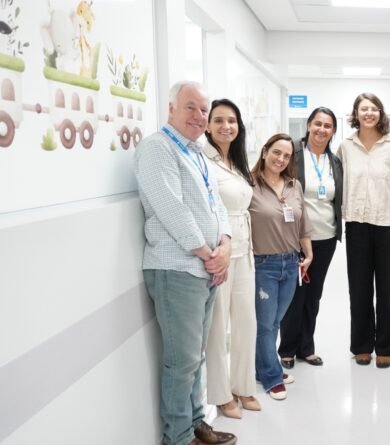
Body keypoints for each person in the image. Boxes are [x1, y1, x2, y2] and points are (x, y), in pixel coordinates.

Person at [134, 81, 237, 445]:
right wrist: (210, 255)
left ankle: (196, 424)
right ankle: (178, 438)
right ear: (171, 109)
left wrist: (225, 244)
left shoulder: (196, 153)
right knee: (182, 362)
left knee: (196, 357)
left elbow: (217, 205)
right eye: (190, 107)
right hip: (177, 268)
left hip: (203, 268)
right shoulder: (157, 148)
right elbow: (171, 209)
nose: (199, 116)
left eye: (203, 110)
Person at [338, 92, 390, 369]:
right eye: (363, 109)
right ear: (356, 114)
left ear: (380, 113)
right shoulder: (345, 147)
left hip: (389, 223)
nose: (368, 113)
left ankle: (385, 346)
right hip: (356, 224)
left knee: (389, 289)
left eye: (373, 109)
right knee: (358, 289)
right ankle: (361, 345)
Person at [203, 98, 261, 419]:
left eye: (232, 121)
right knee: (218, 327)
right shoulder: (203, 160)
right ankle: (221, 395)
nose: (226, 126)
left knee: (246, 323)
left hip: (244, 251)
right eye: (219, 120)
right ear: (208, 126)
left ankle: (243, 385)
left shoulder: (237, 162)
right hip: (220, 251)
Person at [249, 133, 314, 401]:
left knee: (275, 321)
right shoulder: (249, 184)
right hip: (263, 264)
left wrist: (308, 253)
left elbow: (302, 222)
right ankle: (272, 376)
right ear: (265, 152)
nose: (281, 159)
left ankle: (263, 367)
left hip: (290, 262)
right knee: (266, 325)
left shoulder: (293, 185)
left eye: (287, 155)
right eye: (277, 152)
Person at [279, 107, 343, 369]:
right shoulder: (293, 153)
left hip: (326, 236)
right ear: (308, 125)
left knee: (313, 295)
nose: (321, 130)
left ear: (333, 131)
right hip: (295, 237)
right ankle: (287, 349)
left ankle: (307, 347)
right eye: (317, 124)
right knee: (294, 294)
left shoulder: (334, 161)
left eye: (327, 126)